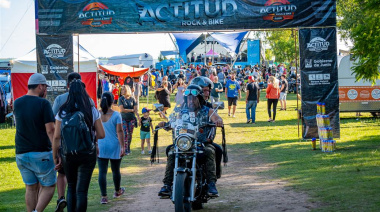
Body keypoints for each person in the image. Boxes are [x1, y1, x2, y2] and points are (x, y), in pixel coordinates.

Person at [158, 85, 223, 197]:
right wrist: (165, 124)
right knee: (172, 152)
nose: (191, 101)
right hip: (184, 143)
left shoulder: (208, 110)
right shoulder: (180, 111)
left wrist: (218, 121)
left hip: (201, 143)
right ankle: (167, 185)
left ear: (199, 99)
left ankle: (211, 184)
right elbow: (172, 120)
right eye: (188, 98)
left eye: (194, 98)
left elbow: (217, 118)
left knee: (210, 151)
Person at [52, 79, 105, 212]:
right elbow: (102, 134)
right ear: (84, 91)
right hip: (87, 153)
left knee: (71, 186)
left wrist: (55, 156)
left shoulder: (62, 111)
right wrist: (90, 137)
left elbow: (57, 136)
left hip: (67, 153)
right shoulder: (90, 109)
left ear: (69, 91)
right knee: (81, 191)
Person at [14, 73, 56, 212]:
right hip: (41, 153)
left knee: (30, 187)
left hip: (21, 153)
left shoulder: (17, 102)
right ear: (40, 86)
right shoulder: (43, 103)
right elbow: (50, 130)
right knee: (49, 186)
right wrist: (57, 152)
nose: (46, 91)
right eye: (45, 87)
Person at [97, 92, 125, 204]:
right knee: (115, 170)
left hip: (101, 145)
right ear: (112, 101)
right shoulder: (117, 115)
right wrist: (123, 146)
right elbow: (119, 131)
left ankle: (104, 196)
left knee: (102, 172)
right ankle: (117, 191)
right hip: (114, 145)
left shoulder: (97, 114)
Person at [119, 85, 140, 155]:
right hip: (123, 118)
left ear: (127, 90)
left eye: (124, 90)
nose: (122, 91)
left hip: (131, 118)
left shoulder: (132, 99)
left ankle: (128, 148)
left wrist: (138, 117)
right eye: (122, 90)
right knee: (125, 133)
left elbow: (136, 109)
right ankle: (125, 149)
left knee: (130, 134)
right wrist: (131, 110)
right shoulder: (121, 99)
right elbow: (122, 110)